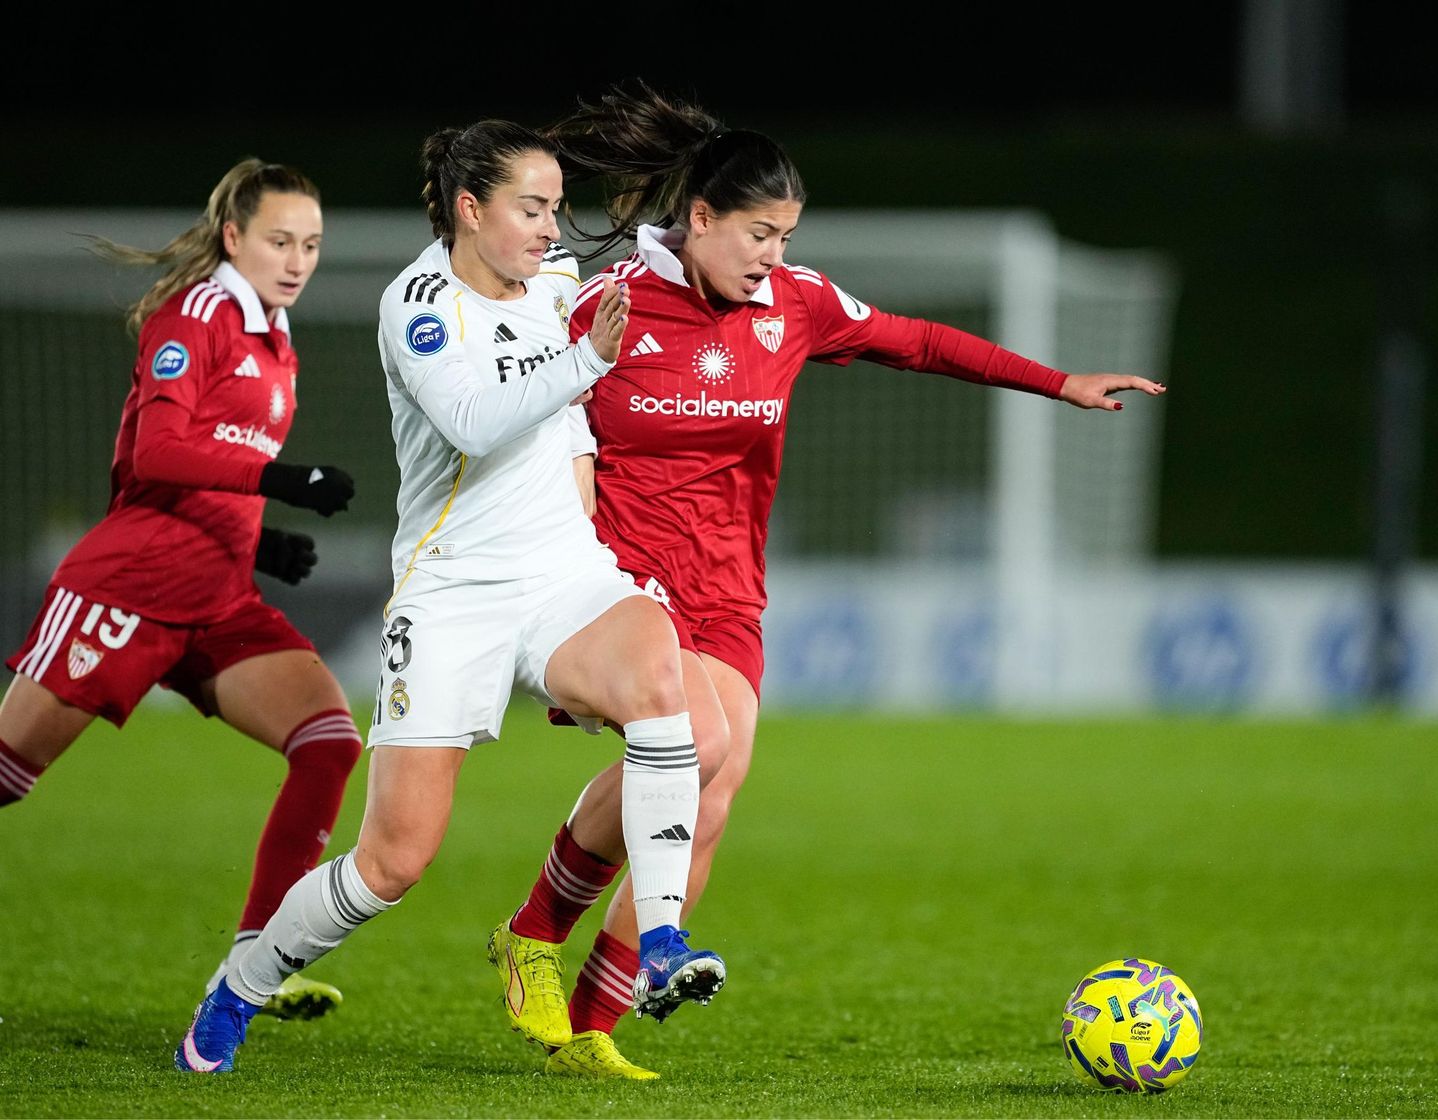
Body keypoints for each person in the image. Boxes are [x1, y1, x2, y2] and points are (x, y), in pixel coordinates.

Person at [484, 83, 1168, 1079]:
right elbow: (523, 417)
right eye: (758, 232)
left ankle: (590, 1031)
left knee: (710, 796)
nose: (774, 252)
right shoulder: (606, 305)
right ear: (703, 217)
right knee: (698, 740)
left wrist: (1057, 382)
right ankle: (533, 932)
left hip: (731, 592)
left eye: (787, 233)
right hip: (624, 584)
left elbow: (918, 342)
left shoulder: (793, 306)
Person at [174, 120, 726, 1076]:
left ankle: (663, 942)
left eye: (557, 208)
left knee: (662, 687)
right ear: (471, 209)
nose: (553, 230)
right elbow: (472, 420)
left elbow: (663, 258)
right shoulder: (419, 303)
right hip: (453, 594)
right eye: (532, 208)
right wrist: (585, 364)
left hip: (562, 573)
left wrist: (714, 192)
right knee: (392, 862)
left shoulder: (559, 282)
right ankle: (241, 987)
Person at [0, 159, 362, 1022]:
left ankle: (252, 959)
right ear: (233, 236)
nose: (298, 259)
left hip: (218, 595)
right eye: (280, 240)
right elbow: (158, 451)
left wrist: (253, 536)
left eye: (311, 244)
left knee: (329, 741)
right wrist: (278, 479)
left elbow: (159, 459)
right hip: (130, 588)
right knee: (7, 774)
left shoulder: (277, 337)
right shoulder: (193, 316)